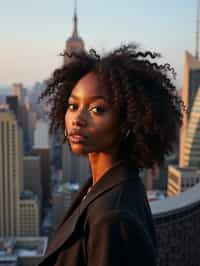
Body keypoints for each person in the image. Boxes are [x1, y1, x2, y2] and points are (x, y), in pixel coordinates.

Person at [38, 44, 185, 266]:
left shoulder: (111, 217)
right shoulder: (109, 186)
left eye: (97, 109)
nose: (77, 119)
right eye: (73, 105)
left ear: (126, 123)